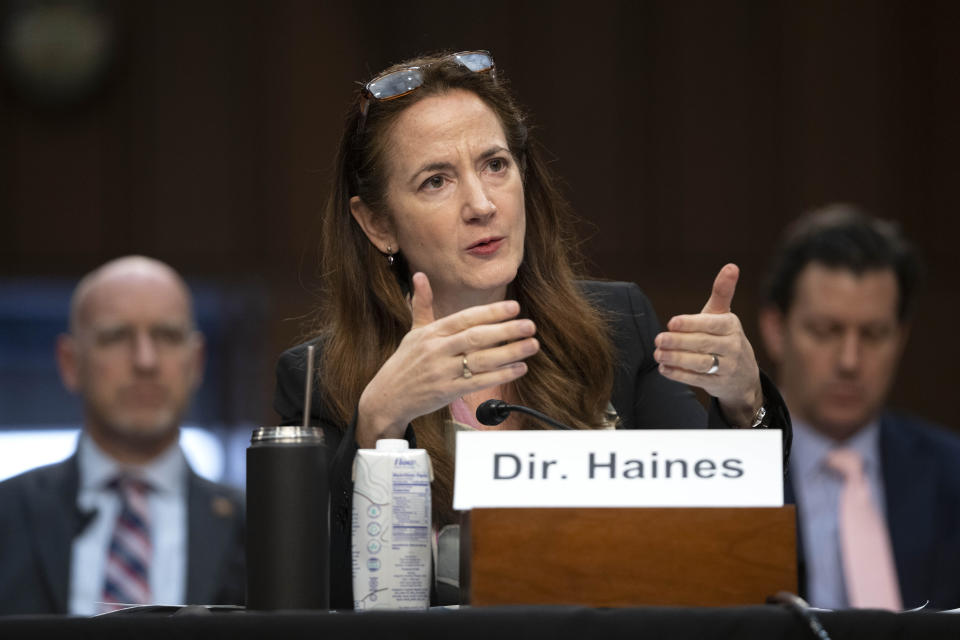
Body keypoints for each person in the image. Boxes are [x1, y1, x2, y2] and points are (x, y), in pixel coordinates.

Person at [273, 50, 791, 609]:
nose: (481, 204)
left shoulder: (619, 328)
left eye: (496, 165)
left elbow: (720, 541)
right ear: (378, 224)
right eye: (436, 181)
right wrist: (378, 423)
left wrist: (744, 404)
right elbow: (311, 598)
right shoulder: (317, 380)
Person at [0, 256, 245, 615]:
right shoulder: (7, 515)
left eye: (167, 336)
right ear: (70, 362)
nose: (145, 360)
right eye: (115, 336)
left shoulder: (254, 528)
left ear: (196, 362)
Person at [758, 205, 960, 610]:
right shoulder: (730, 477)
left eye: (873, 334)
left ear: (900, 338)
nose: (850, 360)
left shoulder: (952, 474)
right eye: (826, 331)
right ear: (776, 330)